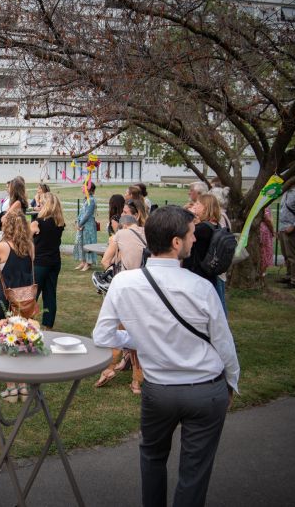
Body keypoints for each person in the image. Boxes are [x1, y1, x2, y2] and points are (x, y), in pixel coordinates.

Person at [92, 205, 239, 507]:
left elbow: (104, 337)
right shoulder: (202, 288)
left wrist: (137, 337)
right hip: (205, 389)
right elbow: (224, 344)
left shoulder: (123, 283)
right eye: (190, 235)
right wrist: (232, 383)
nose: (195, 240)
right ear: (176, 242)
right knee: (195, 472)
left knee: (152, 459)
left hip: (158, 390)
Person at [96, 213, 147, 393]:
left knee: (120, 330)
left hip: (125, 288)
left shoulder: (120, 235)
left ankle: (109, 369)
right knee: (138, 333)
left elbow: (105, 261)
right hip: (145, 289)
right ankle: (136, 380)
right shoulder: (147, 233)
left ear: (124, 226)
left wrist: (114, 247)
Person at [0, 209, 35, 402]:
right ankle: (23, 385)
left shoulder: (3, 246)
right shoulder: (31, 246)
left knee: (6, 339)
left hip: (7, 297)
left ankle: (11, 388)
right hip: (25, 299)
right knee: (22, 339)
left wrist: (1, 269)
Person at [183, 194, 228, 312]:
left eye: (198, 204)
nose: (194, 205)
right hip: (208, 272)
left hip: (197, 272)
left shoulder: (202, 229)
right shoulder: (215, 225)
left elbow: (182, 232)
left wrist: (188, 214)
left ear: (205, 207)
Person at [30, 193, 65, 329]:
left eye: (41, 203)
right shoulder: (59, 223)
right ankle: (48, 326)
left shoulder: (38, 222)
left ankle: (27, 323)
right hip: (54, 262)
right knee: (50, 294)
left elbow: (26, 239)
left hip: (40, 262)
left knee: (32, 295)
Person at [73, 182, 98, 271]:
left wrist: (80, 224)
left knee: (88, 243)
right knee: (81, 243)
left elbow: (88, 214)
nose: (81, 188)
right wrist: (77, 221)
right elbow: (81, 212)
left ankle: (89, 262)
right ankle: (83, 261)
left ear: (88, 189)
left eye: (83, 186)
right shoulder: (85, 199)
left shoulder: (91, 200)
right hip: (82, 225)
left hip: (88, 226)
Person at [259, 207, 275, 278]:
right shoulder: (264, 206)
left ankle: (260, 272)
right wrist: (272, 231)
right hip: (264, 231)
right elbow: (268, 219)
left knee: (261, 251)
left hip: (258, 230)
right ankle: (262, 272)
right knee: (265, 251)